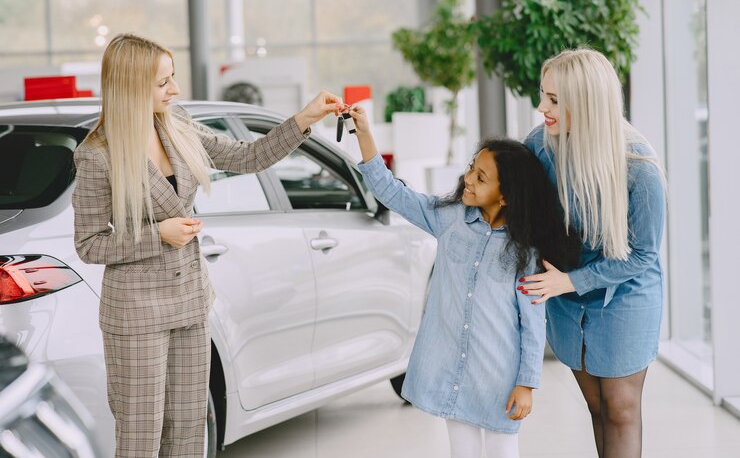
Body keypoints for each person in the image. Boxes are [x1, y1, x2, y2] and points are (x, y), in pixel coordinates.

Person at [71, 33, 343, 458]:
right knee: (142, 435)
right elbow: (89, 244)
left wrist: (304, 117)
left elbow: (247, 157)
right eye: (163, 83)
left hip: (191, 301)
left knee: (188, 431)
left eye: (172, 78)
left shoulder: (176, 125)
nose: (175, 90)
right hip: (137, 313)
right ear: (131, 85)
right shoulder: (97, 155)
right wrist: (156, 235)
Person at [347, 104, 580, 458]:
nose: (468, 179)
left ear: (505, 196)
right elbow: (390, 191)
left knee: (503, 450)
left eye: (481, 177)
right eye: (472, 168)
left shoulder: (526, 251)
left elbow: (532, 323)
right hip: (451, 370)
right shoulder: (450, 218)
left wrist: (526, 383)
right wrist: (364, 132)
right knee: (463, 451)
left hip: (498, 377)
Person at [520, 48, 666, 458]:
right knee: (597, 407)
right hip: (568, 302)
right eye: (542, 95)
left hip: (625, 297)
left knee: (621, 410)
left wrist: (569, 280)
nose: (541, 108)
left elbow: (642, 256)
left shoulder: (640, 167)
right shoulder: (538, 145)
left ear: (585, 105)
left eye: (553, 100)